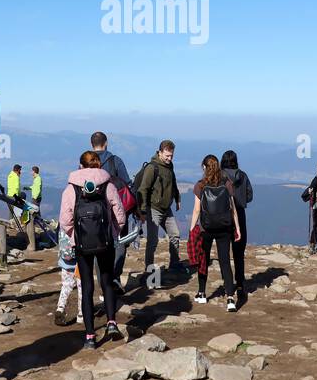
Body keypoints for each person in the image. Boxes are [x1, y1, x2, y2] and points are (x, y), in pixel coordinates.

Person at [59, 151, 126, 348]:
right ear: (98, 165)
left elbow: (65, 219)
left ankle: (90, 336)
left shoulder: (71, 188)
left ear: (80, 166)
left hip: (81, 244)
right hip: (105, 242)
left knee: (87, 287)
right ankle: (112, 323)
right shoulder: (108, 184)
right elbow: (119, 214)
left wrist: (74, 237)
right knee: (107, 281)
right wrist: (113, 232)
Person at [192, 155, 241, 310]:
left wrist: (192, 229)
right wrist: (237, 228)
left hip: (206, 228)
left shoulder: (200, 185)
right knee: (225, 262)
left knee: (203, 260)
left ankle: (201, 293)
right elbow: (232, 209)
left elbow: (197, 210)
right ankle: (230, 299)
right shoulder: (227, 184)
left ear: (204, 168)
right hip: (225, 228)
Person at [93, 131, 135, 295]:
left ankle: (103, 282)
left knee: (97, 247)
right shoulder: (115, 161)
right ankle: (115, 278)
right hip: (117, 210)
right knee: (120, 243)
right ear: (106, 143)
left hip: (95, 212)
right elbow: (127, 184)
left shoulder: (86, 162)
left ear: (92, 144)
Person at [137, 140, 183, 275]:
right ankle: (149, 269)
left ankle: (174, 263)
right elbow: (143, 189)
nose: (169, 159)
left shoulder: (170, 166)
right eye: (167, 156)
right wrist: (143, 211)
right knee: (153, 240)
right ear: (160, 152)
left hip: (166, 208)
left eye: (171, 156)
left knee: (175, 235)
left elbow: (172, 182)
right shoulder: (152, 168)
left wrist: (177, 198)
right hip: (153, 209)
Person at [219, 150, 252, 298]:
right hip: (240, 213)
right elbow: (250, 196)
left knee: (224, 253)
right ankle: (240, 283)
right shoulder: (243, 175)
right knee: (239, 253)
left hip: (224, 216)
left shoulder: (220, 176)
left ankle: (227, 283)